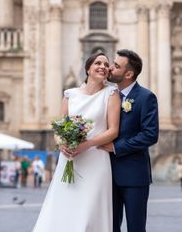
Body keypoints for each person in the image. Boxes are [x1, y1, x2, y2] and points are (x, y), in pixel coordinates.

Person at [32, 52, 121, 232]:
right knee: (66, 206)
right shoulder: (70, 95)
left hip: (96, 159)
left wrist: (88, 144)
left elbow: (113, 130)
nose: (103, 66)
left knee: (90, 210)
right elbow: (59, 128)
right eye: (98, 63)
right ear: (88, 68)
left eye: (106, 64)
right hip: (70, 158)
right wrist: (62, 145)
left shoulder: (111, 93)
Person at [101, 49, 159, 232]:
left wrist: (116, 147)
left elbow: (150, 135)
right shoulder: (106, 95)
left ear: (129, 74)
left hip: (134, 176)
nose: (110, 68)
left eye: (116, 66)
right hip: (106, 174)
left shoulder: (145, 97)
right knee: (110, 227)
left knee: (135, 228)